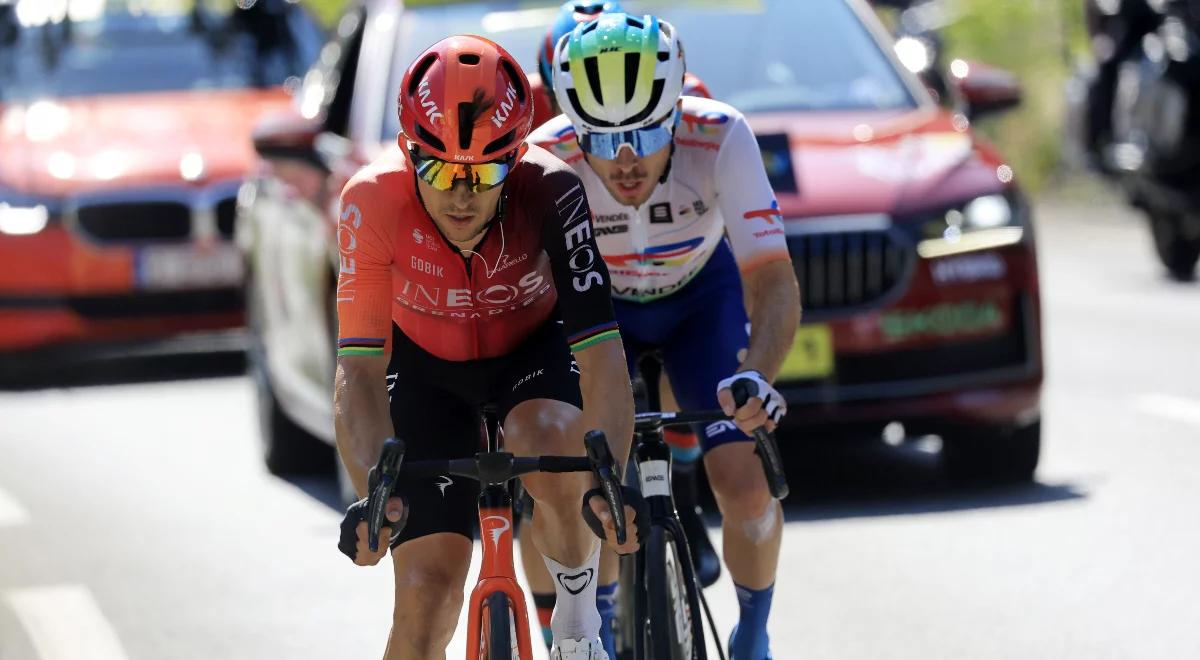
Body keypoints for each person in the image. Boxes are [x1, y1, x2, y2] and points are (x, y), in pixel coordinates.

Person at [333, 35, 643, 660]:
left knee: (556, 442)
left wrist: (608, 478)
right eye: (441, 170)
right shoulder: (370, 203)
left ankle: (579, 624)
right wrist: (374, 495)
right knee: (426, 596)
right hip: (426, 374)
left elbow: (603, 355)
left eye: (485, 172)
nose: (462, 195)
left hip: (531, 356)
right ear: (407, 152)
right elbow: (360, 373)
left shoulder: (553, 191)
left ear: (518, 156)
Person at [530, 13, 801, 659]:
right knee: (586, 485)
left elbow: (771, 282)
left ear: (678, 109)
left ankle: (753, 630)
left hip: (699, 302)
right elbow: (530, 299)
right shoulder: (544, 156)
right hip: (600, 317)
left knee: (745, 485)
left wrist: (757, 375)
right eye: (602, 137)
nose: (625, 161)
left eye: (648, 132)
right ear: (572, 123)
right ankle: (594, 618)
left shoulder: (721, 132)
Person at [521, 4, 720, 657]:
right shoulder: (532, 124)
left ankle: (684, 487)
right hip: (588, 295)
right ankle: (580, 611)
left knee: (676, 379)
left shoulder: (694, 111)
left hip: (672, 279)